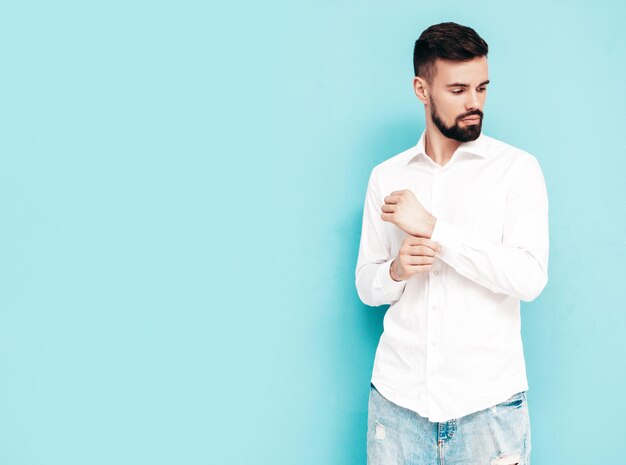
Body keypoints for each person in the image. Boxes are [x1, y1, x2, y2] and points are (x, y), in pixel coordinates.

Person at [354, 22, 549, 465]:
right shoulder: (387, 177)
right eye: (458, 89)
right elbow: (367, 285)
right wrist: (396, 270)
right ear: (422, 89)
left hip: (490, 410)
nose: (474, 103)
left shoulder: (516, 170)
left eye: (482, 88)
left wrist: (434, 229)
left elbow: (529, 277)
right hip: (397, 407)